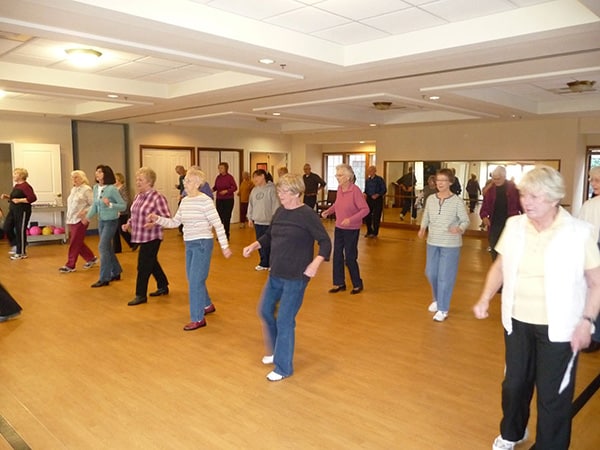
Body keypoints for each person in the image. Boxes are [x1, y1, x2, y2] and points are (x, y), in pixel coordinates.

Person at [473, 166, 600, 450]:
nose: (526, 201)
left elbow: (597, 283)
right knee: (514, 386)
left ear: (555, 198)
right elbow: (500, 267)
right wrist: (485, 297)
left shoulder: (579, 233)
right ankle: (512, 432)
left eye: (535, 196)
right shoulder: (515, 226)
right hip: (517, 322)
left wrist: (586, 322)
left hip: (561, 328)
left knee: (553, 395)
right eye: (523, 195)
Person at [242, 173, 331, 381]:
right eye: (279, 191)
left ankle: (283, 368)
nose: (280, 194)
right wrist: (254, 245)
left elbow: (325, 242)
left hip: (296, 276)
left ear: (297, 193)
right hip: (276, 272)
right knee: (264, 311)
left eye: (284, 191)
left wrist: (315, 264)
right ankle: (275, 351)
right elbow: (270, 234)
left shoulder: (307, 215)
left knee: (284, 320)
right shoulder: (281, 212)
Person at [148, 167, 232, 330]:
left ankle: (198, 318)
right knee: (194, 278)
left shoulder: (205, 201)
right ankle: (207, 305)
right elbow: (175, 222)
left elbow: (217, 224)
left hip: (202, 243)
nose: (184, 183)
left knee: (195, 281)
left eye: (188, 180)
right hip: (189, 244)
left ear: (198, 183)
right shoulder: (185, 201)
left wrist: (224, 246)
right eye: (185, 180)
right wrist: (157, 219)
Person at [418, 168, 470, 322]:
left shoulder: (456, 202)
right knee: (431, 272)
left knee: (445, 277)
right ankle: (437, 299)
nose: (440, 183)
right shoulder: (431, 199)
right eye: (438, 180)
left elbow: (465, 220)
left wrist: (459, 228)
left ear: (450, 182)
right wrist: (422, 228)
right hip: (432, 242)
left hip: (450, 244)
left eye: (443, 180)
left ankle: (443, 308)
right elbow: (426, 215)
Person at [123, 167, 171, 306]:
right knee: (151, 262)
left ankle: (140, 295)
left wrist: (154, 224)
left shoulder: (158, 198)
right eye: (137, 179)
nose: (137, 182)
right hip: (140, 235)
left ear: (149, 182)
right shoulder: (138, 196)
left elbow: (166, 217)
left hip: (153, 236)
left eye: (140, 180)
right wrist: (128, 224)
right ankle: (163, 285)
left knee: (143, 265)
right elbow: (135, 214)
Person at [322, 164, 370, 295]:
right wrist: (328, 211)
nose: (337, 177)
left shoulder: (355, 190)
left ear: (348, 177)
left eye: (340, 175)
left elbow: (365, 209)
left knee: (350, 257)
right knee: (337, 255)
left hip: (352, 229)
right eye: (337, 175)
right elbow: (337, 204)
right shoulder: (339, 189)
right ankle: (339, 283)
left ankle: (357, 284)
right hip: (339, 227)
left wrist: (351, 219)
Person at [83, 165, 126, 288]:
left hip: (111, 221)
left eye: (100, 172)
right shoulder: (96, 188)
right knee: (107, 248)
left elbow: (123, 205)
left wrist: (111, 204)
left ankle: (104, 277)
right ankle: (116, 271)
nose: (97, 174)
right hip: (101, 221)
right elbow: (95, 206)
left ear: (106, 174)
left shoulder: (112, 189)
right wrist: (88, 217)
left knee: (102, 247)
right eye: (96, 171)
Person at [577, 165, 600, 353]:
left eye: (597, 180)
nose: (593, 184)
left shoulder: (590, 205)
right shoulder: (589, 205)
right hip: (593, 251)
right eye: (592, 180)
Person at [480, 166, 522, 261]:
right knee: (494, 249)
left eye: (498, 178)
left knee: (509, 251)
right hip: (494, 224)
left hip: (510, 224)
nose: (495, 181)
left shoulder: (513, 189)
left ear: (504, 176)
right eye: (493, 178)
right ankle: (497, 270)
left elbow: (521, 205)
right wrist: (484, 217)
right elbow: (484, 207)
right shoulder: (490, 190)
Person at [58, 170, 98, 273]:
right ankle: (91, 258)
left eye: (76, 177)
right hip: (72, 219)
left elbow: (94, 204)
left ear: (82, 178)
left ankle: (70, 265)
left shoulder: (87, 189)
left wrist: (85, 211)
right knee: (77, 241)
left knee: (74, 242)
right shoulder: (73, 190)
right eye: (72, 177)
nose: (73, 179)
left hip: (81, 220)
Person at [247, 169, 280, 271]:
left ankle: (271, 263)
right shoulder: (254, 190)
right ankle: (263, 262)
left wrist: (275, 219)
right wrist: (250, 218)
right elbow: (251, 205)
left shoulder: (271, 189)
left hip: (269, 222)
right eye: (253, 177)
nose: (254, 179)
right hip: (258, 221)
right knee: (260, 243)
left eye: (256, 176)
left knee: (270, 243)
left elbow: (276, 205)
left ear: (262, 176)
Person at [2, 168, 37, 260]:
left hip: (23, 211)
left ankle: (21, 252)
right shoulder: (17, 186)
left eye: (15, 174)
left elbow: (32, 198)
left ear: (21, 176)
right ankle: (16, 245)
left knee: (20, 230)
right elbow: (15, 198)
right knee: (6, 227)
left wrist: (20, 200)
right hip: (13, 210)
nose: (13, 175)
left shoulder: (26, 186)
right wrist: (7, 197)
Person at [212, 162, 237, 240]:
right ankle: (220, 235)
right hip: (219, 199)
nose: (220, 169)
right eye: (219, 168)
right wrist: (211, 190)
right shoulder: (218, 177)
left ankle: (226, 234)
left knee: (226, 217)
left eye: (221, 168)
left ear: (226, 168)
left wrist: (226, 191)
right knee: (219, 218)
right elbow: (216, 187)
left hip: (228, 200)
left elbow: (235, 187)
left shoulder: (230, 177)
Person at [363, 165, 386, 238]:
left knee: (376, 216)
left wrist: (377, 194)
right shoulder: (367, 180)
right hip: (369, 199)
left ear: (374, 171)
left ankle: (375, 233)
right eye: (368, 171)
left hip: (377, 200)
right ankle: (369, 231)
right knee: (367, 215)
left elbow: (384, 190)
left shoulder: (380, 179)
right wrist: (364, 194)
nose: (369, 172)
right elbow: (366, 190)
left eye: (371, 171)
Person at [113, 172, 134, 253]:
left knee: (122, 230)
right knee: (115, 231)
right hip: (115, 212)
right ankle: (116, 249)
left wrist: (120, 210)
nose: (114, 181)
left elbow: (126, 201)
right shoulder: (115, 189)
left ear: (120, 180)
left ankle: (133, 242)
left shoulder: (123, 189)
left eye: (116, 179)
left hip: (122, 212)